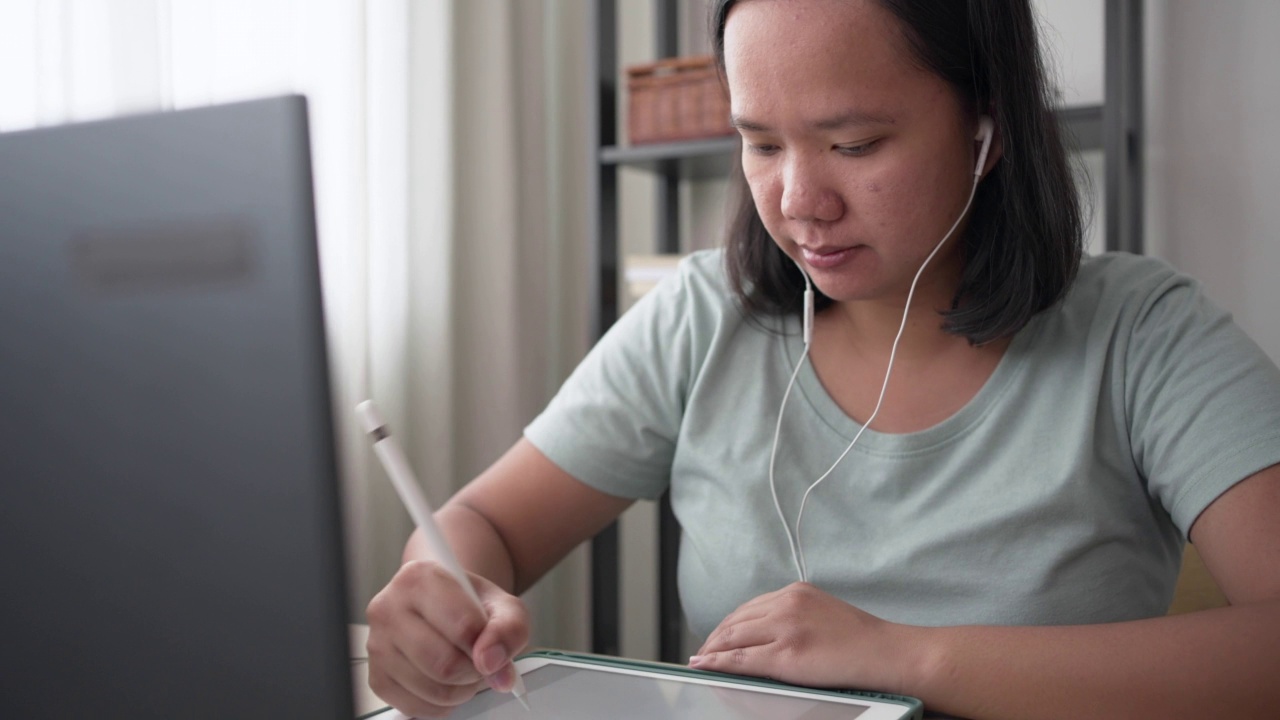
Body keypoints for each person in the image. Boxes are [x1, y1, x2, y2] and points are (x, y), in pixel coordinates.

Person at [364, 1, 1280, 717]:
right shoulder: (701, 316)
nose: (800, 201)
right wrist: (438, 590)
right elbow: (488, 521)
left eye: (854, 144)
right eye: (760, 143)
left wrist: (900, 656)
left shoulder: (1143, 335)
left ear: (985, 130)